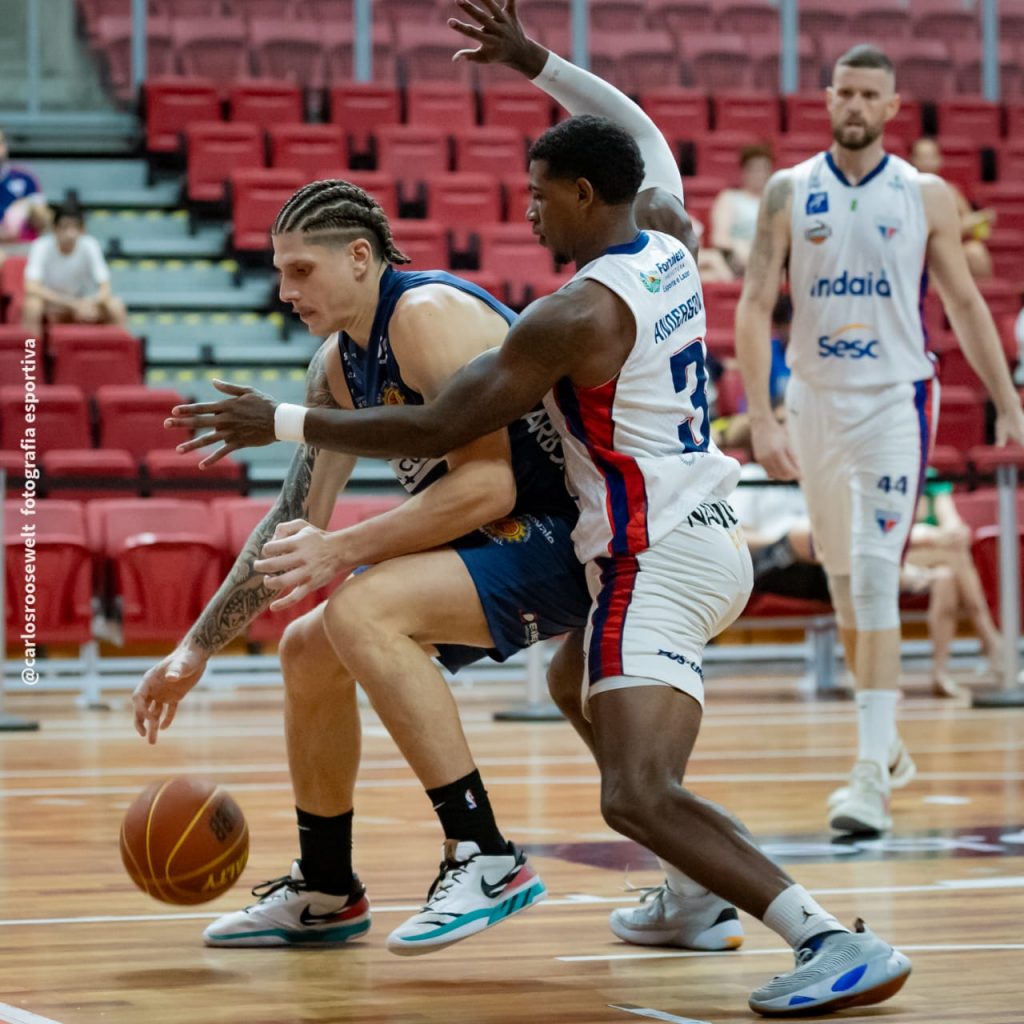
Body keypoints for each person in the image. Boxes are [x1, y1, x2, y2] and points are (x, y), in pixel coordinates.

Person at [167, 5, 914, 1016]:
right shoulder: (666, 242)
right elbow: (641, 132)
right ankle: (693, 897)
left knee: (633, 791)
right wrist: (537, 62)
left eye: (536, 196)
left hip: (651, 550)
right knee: (571, 680)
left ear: (581, 193)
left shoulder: (576, 313)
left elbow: (448, 423)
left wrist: (287, 421)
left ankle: (826, 938)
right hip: (693, 529)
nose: (525, 214)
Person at [134, 177, 592, 954]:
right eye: (278, 272)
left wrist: (346, 551)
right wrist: (194, 650)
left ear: (358, 257)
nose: (284, 290)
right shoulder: (337, 367)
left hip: (570, 536)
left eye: (300, 271)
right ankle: (326, 888)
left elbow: (490, 485)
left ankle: (485, 856)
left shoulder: (426, 316)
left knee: (359, 609)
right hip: (501, 537)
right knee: (309, 649)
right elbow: (293, 522)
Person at [735, 44, 1024, 836]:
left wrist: (1008, 402)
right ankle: (886, 741)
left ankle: (868, 776)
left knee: (870, 575)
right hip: (815, 402)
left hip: (897, 400)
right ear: (829, 99)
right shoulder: (790, 192)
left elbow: (965, 305)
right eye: (846, 92)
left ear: (893, 108)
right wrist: (761, 415)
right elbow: (755, 303)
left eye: (872, 94)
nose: (856, 104)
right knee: (838, 578)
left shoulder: (926, 195)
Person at [22, 204, 127, 332]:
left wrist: (88, 304)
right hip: (54, 305)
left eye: (75, 227)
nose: (70, 233)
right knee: (32, 306)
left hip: (86, 303)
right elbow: (32, 287)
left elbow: (106, 288)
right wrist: (72, 304)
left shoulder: (90, 245)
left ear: (82, 230)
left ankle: (119, 351)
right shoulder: (41, 246)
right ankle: (30, 351)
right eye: (65, 227)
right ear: (55, 229)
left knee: (116, 305)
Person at [909, 137, 994, 280]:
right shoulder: (904, 191)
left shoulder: (951, 192)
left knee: (976, 252)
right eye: (923, 157)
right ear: (912, 159)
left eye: (931, 156)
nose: (927, 161)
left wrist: (980, 221)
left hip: (949, 248)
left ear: (939, 159)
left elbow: (973, 225)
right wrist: (969, 223)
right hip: (917, 250)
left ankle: (986, 300)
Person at [710, 143, 774, 277]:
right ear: (744, 171)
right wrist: (741, 248)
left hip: (771, 258)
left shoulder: (776, 202)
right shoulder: (729, 197)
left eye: (764, 169)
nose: (759, 174)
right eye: (754, 169)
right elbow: (720, 238)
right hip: (737, 260)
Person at [0, 128, 50, 244]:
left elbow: (44, 221)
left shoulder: (26, 178)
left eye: (1, 142)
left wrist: (27, 204)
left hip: (22, 248)